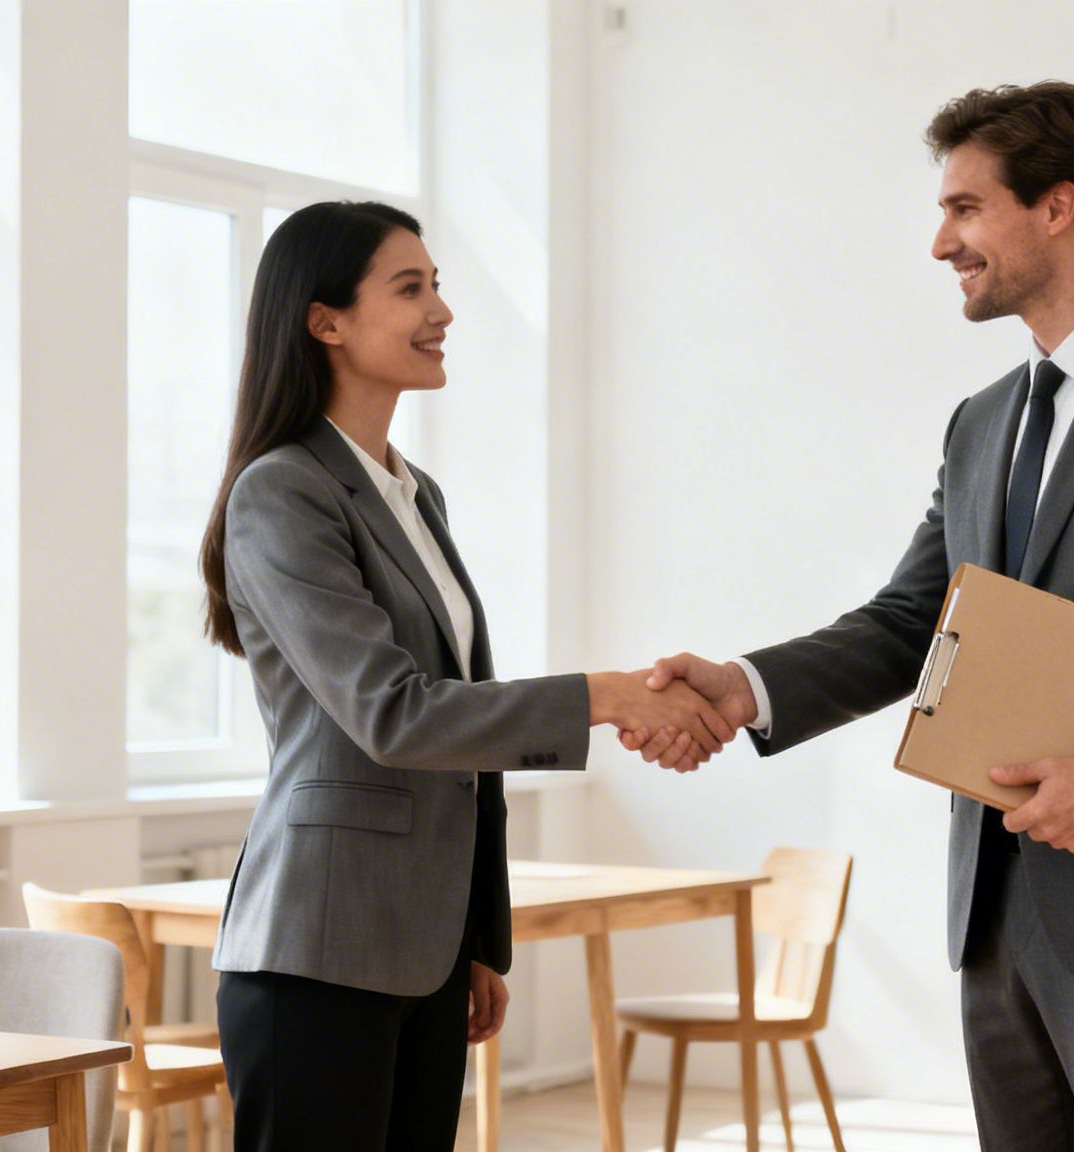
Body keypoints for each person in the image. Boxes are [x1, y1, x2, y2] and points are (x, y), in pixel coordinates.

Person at [629, 82, 1074, 1151]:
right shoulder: (981, 423)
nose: (938, 242)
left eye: (964, 208)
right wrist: (744, 689)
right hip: (995, 920)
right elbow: (914, 622)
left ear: (1057, 206)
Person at [197, 200, 734, 1152]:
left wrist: (475, 939)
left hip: (425, 951)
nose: (441, 309)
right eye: (411, 288)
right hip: (317, 950)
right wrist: (604, 697)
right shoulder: (282, 489)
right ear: (325, 321)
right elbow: (393, 715)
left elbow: (460, 747)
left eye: (437, 284)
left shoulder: (412, 492)